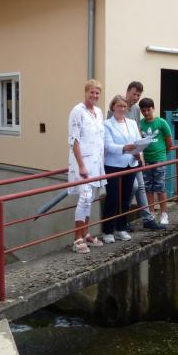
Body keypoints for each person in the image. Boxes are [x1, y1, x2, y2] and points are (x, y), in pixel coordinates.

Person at [107, 81, 164, 231]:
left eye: (139, 95)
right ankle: (122, 220)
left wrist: (141, 154)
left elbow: (137, 131)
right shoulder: (116, 108)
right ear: (127, 92)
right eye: (134, 94)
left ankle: (148, 218)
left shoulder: (137, 110)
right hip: (119, 159)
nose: (136, 97)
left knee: (141, 186)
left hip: (135, 156)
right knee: (133, 187)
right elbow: (109, 136)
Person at [67, 79, 106, 253]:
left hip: (96, 163)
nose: (95, 95)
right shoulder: (77, 111)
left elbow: (100, 139)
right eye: (92, 92)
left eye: (97, 93)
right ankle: (77, 239)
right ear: (86, 92)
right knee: (84, 198)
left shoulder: (98, 112)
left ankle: (86, 233)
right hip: (83, 163)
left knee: (90, 199)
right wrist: (81, 165)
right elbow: (74, 140)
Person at [101, 95, 140, 243]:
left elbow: (138, 141)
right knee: (112, 198)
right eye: (119, 106)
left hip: (131, 163)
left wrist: (138, 153)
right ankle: (108, 231)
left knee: (125, 199)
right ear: (113, 107)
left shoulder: (132, 123)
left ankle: (121, 228)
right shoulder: (107, 124)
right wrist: (123, 148)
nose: (122, 109)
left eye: (124, 106)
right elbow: (108, 145)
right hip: (113, 165)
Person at [138, 97, 173, 226]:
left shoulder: (161, 122)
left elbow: (169, 143)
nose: (146, 113)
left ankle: (164, 214)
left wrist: (162, 155)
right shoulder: (140, 124)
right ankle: (151, 213)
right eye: (143, 111)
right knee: (148, 188)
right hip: (145, 161)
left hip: (159, 160)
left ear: (153, 108)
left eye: (148, 110)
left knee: (160, 187)